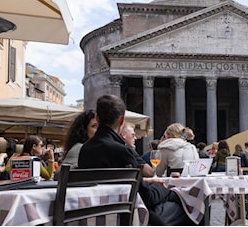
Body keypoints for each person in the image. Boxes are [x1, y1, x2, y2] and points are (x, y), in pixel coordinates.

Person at [78, 94, 194, 225]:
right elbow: (147, 197)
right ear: (122, 121)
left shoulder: (85, 150)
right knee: (188, 208)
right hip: (127, 218)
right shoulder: (123, 151)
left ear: (97, 119)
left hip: (95, 216)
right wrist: (164, 188)